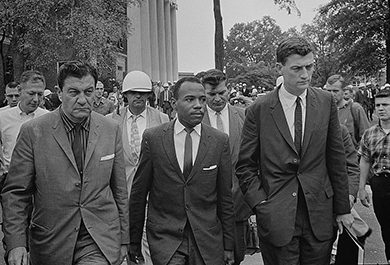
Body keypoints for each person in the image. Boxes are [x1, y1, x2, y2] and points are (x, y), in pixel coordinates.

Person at [236, 37, 353, 265]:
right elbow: (245, 166)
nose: (305, 75)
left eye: (309, 67)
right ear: (279, 68)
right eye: (297, 68)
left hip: (319, 214)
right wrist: (261, 204)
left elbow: (336, 159)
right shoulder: (258, 110)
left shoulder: (326, 102)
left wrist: (343, 209)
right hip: (276, 215)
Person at [1, 61, 129, 265]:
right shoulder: (33, 132)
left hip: (99, 238)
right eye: (73, 92)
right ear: (59, 94)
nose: (82, 100)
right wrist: (16, 243)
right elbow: (16, 193)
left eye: (88, 92)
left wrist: (125, 238)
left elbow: (119, 190)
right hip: (51, 241)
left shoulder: (110, 129)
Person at [129, 77, 235, 265]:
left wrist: (228, 245)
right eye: (189, 99)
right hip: (166, 240)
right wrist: (134, 242)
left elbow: (225, 198)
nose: (198, 106)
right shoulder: (154, 139)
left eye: (202, 99)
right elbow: (139, 194)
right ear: (174, 103)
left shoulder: (219, 141)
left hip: (206, 241)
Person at [108, 70, 169, 265]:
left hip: (153, 191)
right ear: (125, 94)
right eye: (134, 93)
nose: (138, 97)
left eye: (143, 93)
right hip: (122, 191)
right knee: (124, 241)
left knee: (149, 241)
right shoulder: (111, 121)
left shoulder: (161, 119)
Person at [201, 69, 252, 265]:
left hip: (237, 203)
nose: (217, 99)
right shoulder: (194, 118)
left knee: (236, 257)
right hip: (204, 206)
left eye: (221, 93)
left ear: (228, 90)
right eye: (211, 94)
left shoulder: (244, 117)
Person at [0, 71, 49, 189]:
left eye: (40, 94)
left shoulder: (48, 118)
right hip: (10, 179)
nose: (36, 99)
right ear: (20, 90)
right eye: (31, 93)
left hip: (41, 180)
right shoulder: (3, 118)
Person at [359, 88, 390, 264]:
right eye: (378, 105)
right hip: (380, 184)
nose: (380, 108)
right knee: (386, 226)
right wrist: (361, 188)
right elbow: (365, 160)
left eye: (385, 105)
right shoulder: (370, 133)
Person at [325, 74, 370, 149]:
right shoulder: (323, 110)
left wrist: (356, 156)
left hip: (349, 156)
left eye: (335, 91)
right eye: (329, 91)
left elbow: (367, 137)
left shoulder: (355, 108)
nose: (332, 94)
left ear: (344, 91)